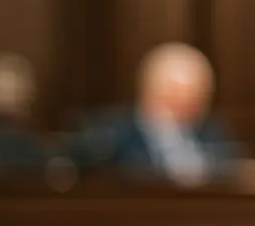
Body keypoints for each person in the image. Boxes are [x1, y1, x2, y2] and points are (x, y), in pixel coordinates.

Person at [84, 43, 240, 186]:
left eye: (198, 96)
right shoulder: (112, 133)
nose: (188, 104)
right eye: (177, 94)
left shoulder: (213, 132)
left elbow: (232, 169)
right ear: (150, 91)